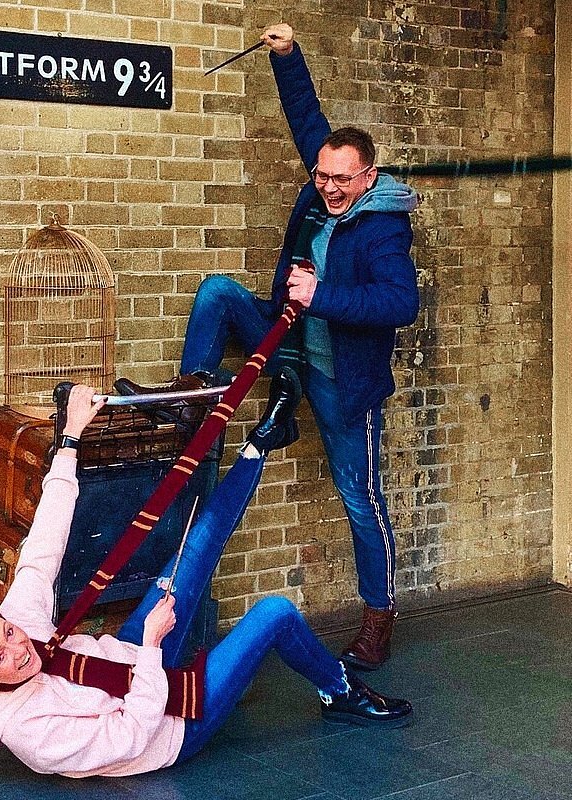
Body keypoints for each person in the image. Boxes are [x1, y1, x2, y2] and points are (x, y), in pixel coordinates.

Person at [118, 24, 419, 671]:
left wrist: (323, 294)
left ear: (368, 177)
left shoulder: (384, 227)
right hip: (286, 344)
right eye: (323, 175)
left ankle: (379, 615)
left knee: (360, 498)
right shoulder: (321, 182)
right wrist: (287, 54)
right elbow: (305, 116)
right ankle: (192, 401)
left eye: (343, 179)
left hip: (342, 377)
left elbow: (400, 305)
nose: (330, 188)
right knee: (218, 293)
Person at [0, 378, 412, 779]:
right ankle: (340, 691)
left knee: (192, 552)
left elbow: (45, 542)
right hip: (172, 725)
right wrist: (149, 647)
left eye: (10, 633)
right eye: (0, 656)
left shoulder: (16, 624)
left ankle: (259, 444)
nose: (19, 648)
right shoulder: (30, 736)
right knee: (275, 614)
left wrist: (71, 439)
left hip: (131, 655)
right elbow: (131, 734)